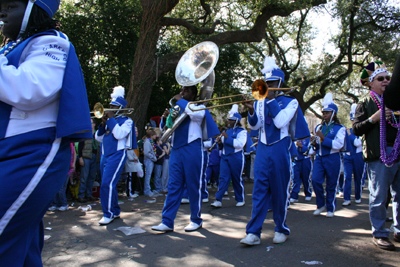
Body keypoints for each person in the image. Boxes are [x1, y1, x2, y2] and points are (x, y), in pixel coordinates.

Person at [0, 0, 92, 265]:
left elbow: (29, 90)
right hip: (12, 150)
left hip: (31, 151)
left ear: (35, 8)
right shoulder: (10, 47)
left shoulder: (52, 42)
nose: (2, 11)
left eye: (11, 4)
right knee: (22, 248)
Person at [240, 57, 309, 246]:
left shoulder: (291, 102)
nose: (268, 86)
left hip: (280, 146)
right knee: (259, 190)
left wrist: (269, 101)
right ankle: (253, 232)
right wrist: (251, 112)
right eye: (266, 83)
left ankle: (281, 228)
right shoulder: (260, 102)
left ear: (279, 83)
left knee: (279, 190)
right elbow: (256, 126)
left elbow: (279, 122)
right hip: (262, 148)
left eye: (271, 83)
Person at [152, 85, 219, 233]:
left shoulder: (199, 107)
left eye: (186, 91)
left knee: (193, 186)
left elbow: (194, 115)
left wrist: (181, 101)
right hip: (176, 150)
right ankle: (167, 221)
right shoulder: (179, 107)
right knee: (173, 186)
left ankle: (196, 219)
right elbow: (168, 127)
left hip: (192, 148)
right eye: (181, 90)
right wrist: (165, 118)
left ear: (194, 95)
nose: (182, 93)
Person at [353, 64, 400, 251]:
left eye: (388, 78)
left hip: (398, 151)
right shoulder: (365, 102)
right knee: (379, 196)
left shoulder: (396, 100)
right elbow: (356, 129)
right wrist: (375, 117)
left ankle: (398, 229)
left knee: (399, 195)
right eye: (381, 79)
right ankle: (379, 233)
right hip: (379, 154)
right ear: (371, 83)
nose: (386, 81)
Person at [95, 86, 136, 225]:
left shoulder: (127, 121)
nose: (110, 108)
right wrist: (102, 125)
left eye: (114, 106)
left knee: (107, 184)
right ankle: (115, 210)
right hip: (105, 155)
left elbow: (119, 135)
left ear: (120, 108)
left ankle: (108, 213)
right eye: (110, 105)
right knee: (107, 184)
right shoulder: (108, 121)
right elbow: (98, 138)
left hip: (117, 155)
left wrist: (111, 120)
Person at [310, 93, 346, 218]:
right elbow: (316, 146)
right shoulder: (319, 127)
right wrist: (314, 142)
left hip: (333, 158)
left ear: (333, 114)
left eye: (327, 112)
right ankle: (321, 205)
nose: (324, 114)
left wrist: (323, 138)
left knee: (331, 184)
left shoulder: (340, 128)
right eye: (324, 112)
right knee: (315, 181)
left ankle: (330, 207)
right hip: (319, 158)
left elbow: (338, 145)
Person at [211, 104, 254, 208]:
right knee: (223, 178)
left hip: (236, 157)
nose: (229, 121)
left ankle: (240, 199)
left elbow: (240, 144)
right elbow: (222, 145)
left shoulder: (242, 131)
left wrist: (226, 138)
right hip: (225, 157)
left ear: (237, 121)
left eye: (231, 120)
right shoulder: (227, 131)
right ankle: (218, 200)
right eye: (229, 119)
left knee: (236, 179)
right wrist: (220, 143)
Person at [342, 104, 364, 206]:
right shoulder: (347, 131)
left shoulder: (360, 131)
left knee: (358, 177)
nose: (352, 122)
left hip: (358, 156)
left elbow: (358, 143)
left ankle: (358, 196)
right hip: (347, 157)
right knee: (347, 177)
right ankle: (346, 198)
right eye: (351, 120)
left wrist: (350, 136)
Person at [77, 118, 99, 202]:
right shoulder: (85, 134)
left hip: (95, 157)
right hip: (86, 157)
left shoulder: (97, 134)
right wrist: (80, 157)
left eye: (91, 123)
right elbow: (80, 146)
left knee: (92, 177)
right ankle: (81, 195)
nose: (90, 124)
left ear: (94, 124)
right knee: (84, 177)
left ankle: (89, 195)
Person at [289, 137, 313, 203]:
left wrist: (301, 146)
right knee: (295, 178)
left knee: (306, 178)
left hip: (305, 160)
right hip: (296, 160)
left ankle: (308, 193)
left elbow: (311, 151)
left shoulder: (308, 138)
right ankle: (294, 195)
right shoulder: (293, 138)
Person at [143, 128, 162, 197]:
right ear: (151, 135)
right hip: (148, 160)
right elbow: (146, 152)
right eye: (154, 135)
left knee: (149, 175)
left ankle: (148, 189)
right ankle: (147, 190)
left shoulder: (150, 142)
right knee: (148, 175)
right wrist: (154, 157)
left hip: (150, 160)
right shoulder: (147, 142)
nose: (155, 137)